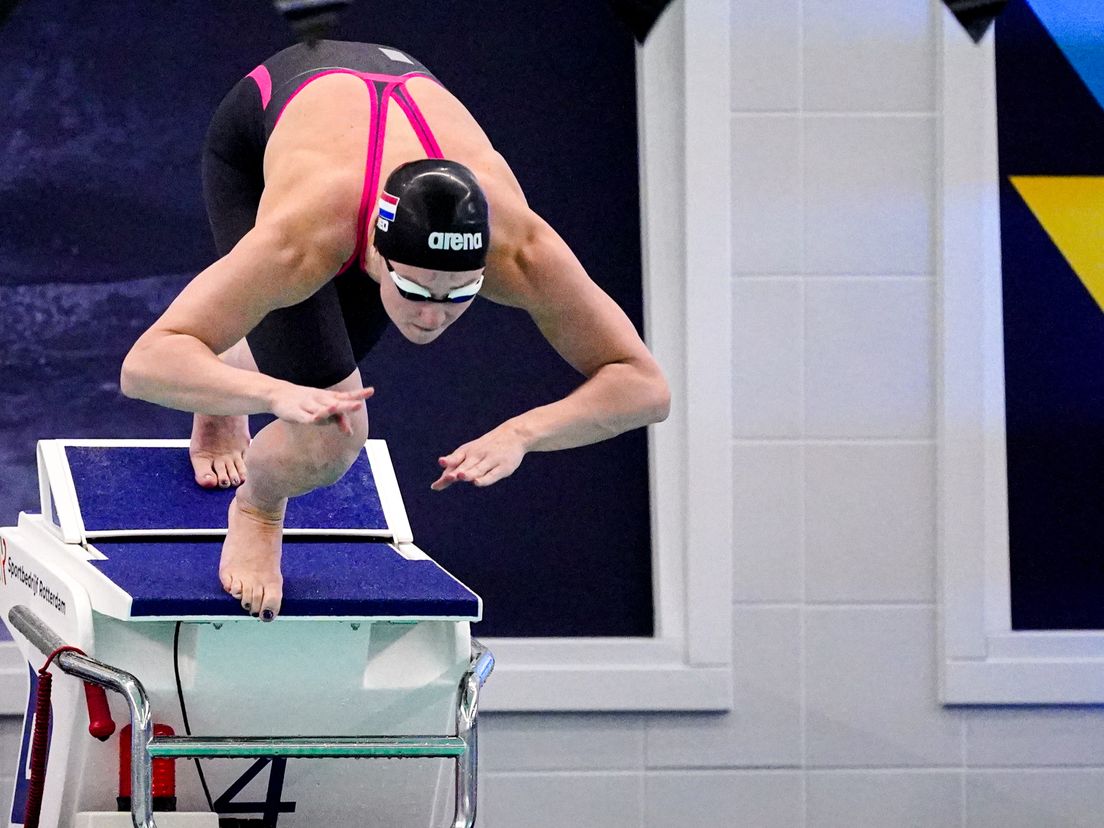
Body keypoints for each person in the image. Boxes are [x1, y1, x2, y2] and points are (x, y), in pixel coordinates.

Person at [121, 40, 670, 622]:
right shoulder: (303, 239)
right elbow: (146, 364)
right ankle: (257, 509)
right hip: (261, 130)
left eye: (458, 294)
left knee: (314, 369)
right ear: (375, 259)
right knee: (330, 430)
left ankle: (231, 360)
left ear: (488, 267)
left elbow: (645, 387)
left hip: (381, 118)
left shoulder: (523, 249)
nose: (432, 315)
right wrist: (271, 395)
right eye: (414, 291)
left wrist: (523, 434)